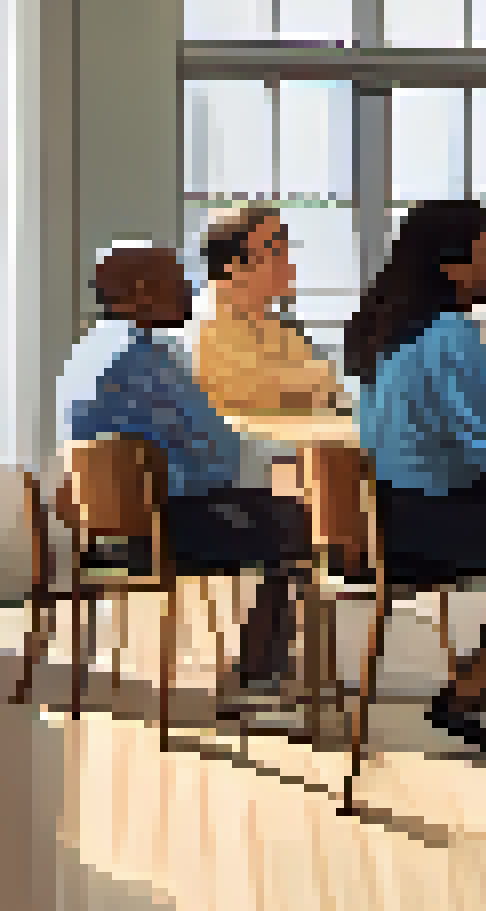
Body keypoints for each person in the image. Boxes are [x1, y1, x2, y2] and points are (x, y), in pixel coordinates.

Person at [348, 199, 486, 763]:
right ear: (451, 264)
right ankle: (473, 689)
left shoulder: (386, 330)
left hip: (383, 517)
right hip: (423, 524)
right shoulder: (451, 332)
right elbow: (475, 450)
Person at [55, 243, 312, 701]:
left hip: (102, 534)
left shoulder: (89, 351)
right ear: (138, 292)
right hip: (159, 530)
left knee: (273, 512)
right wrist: (293, 457)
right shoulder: (146, 357)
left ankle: (262, 667)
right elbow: (220, 452)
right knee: (300, 523)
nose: (190, 291)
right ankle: (261, 674)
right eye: (176, 282)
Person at [190, 207, 346, 414]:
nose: (288, 265)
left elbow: (330, 391)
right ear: (233, 267)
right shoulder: (206, 337)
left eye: (285, 251)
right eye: (274, 252)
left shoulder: (277, 327)